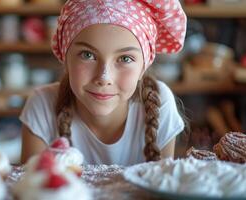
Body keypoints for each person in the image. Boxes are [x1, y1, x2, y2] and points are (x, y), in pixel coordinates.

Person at [20, 0, 187, 165]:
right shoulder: (42, 105)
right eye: (87, 55)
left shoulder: (161, 102)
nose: (104, 78)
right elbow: (30, 187)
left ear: (143, 67)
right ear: (65, 58)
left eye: (125, 58)